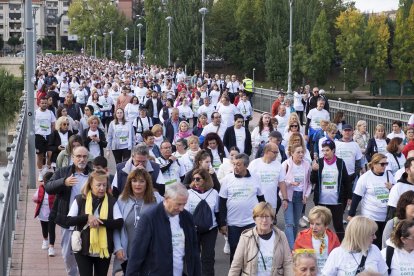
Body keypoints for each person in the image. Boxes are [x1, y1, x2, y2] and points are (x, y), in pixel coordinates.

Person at [125, 183, 201, 276]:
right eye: (178, 204)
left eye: (184, 204)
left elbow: (194, 251)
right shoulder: (149, 218)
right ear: (167, 199)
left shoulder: (187, 218)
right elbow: (137, 253)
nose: (181, 209)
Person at [45, 146, 93, 276]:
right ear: (72, 158)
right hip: (68, 222)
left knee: (87, 255)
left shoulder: (93, 174)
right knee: (68, 256)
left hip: (88, 222)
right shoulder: (63, 172)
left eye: (84, 156)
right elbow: (48, 187)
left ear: (88, 158)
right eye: (78, 156)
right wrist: (63, 182)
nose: (81, 159)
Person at [67, 169, 123, 276]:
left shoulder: (112, 201)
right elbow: (69, 220)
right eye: (98, 185)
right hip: (83, 247)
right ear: (91, 185)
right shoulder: (80, 200)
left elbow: (119, 222)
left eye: (104, 185)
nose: (101, 188)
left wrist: (99, 222)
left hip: (104, 249)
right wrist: (87, 217)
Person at [113, 168, 163, 273]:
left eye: (141, 181)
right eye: (134, 181)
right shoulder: (122, 200)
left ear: (147, 183)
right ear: (129, 183)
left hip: (150, 251)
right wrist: (118, 247)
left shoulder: (157, 199)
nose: (138, 184)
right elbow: (116, 227)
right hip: (127, 252)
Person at [218, 153, 265, 262]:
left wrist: (264, 218)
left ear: (246, 165)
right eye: (234, 164)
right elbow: (222, 202)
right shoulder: (227, 179)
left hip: (251, 222)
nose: (235, 167)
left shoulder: (255, 177)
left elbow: (261, 199)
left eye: (238, 164)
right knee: (235, 252)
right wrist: (222, 223)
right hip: (233, 223)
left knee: (251, 251)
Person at [228, 202, 293, 275]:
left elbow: (288, 263)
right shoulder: (245, 238)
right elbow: (236, 266)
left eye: (267, 216)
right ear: (254, 219)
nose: (264, 220)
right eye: (261, 216)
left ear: (272, 220)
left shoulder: (281, 236)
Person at [348, 153, 396, 248]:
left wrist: (392, 187)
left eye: (386, 163)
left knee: (385, 243)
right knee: (373, 243)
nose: (385, 166)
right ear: (374, 164)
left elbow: (395, 192)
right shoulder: (365, 177)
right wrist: (351, 214)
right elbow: (357, 196)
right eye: (382, 164)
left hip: (386, 216)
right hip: (370, 216)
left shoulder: (389, 175)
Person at [311, 140, 350, 241]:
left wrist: (350, 196)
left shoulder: (340, 162)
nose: (325, 153)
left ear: (333, 150)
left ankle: (343, 247)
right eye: (323, 150)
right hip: (321, 201)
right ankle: (319, 245)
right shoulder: (319, 162)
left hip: (336, 201)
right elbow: (312, 180)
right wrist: (314, 171)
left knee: (338, 226)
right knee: (320, 225)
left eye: (327, 150)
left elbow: (346, 180)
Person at [185, 168, 219, 276]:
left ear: (206, 179)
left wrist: (222, 226)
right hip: (193, 230)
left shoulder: (214, 193)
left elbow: (217, 212)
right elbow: (185, 213)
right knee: (193, 257)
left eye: (198, 179)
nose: (195, 181)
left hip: (210, 230)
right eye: (194, 179)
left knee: (208, 257)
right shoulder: (188, 193)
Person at [283, 144, 312, 249]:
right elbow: (281, 182)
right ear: (292, 153)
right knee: (289, 223)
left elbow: (309, 183)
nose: (301, 154)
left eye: (302, 152)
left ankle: (291, 244)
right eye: (298, 152)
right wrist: (291, 183)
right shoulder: (286, 164)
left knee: (295, 223)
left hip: (300, 197)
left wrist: (306, 195)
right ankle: (291, 249)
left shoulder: (307, 165)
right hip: (288, 196)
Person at [294, 206, 341, 272]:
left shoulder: (333, 238)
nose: (314, 227)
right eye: (312, 223)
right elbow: (296, 260)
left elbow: (339, 259)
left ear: (326, 225)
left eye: (318, 224)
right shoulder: (302, 237)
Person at [248, 143, 288, 219]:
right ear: (266, 151)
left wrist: (285, 199)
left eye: (277, 152)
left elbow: (282, 183)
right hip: (256, 203)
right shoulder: (254, 164)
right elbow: (247, 181)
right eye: (274, 152)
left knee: (269, 226)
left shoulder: (278, 165)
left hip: (271, 203)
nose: (276, 154)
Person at [33, 172, 56, 256]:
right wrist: (39, 200)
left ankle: (51, 247)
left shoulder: (55, 190)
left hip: (52, 214)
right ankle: (45, 240)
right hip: (42, 214)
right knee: (44, 228)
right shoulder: (41, 189)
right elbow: (35, 198)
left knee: (52, 229)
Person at [35, 97, 56, 181]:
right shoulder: (36, 113)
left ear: (47, 104)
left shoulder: (50, 113)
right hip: (39, 136)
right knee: (40, 156)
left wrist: (52, 134)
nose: (44, 104)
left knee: (50, 155)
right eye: (42, 103)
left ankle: (47, 168)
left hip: (48, 136)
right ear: (39, 104)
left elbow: (53, 124)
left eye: (45, 103)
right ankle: (40, 173)